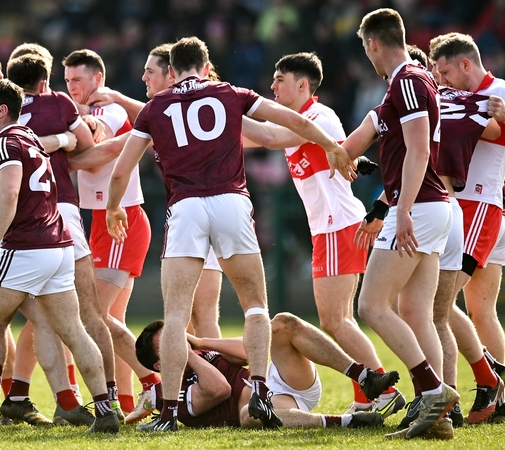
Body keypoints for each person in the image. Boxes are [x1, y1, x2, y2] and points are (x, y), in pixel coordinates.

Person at [106, 36, 355, 432]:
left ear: (171, 72)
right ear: (207, 67)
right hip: (231, 202)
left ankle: (169, 413)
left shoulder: (155, 108)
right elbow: (289, 122)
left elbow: (121, 170)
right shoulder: (230, 93)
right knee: (255, 305)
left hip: (186, 208)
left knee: (174, 317)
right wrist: (332, 145)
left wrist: (113, 207)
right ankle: (259, 390)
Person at [0, 77, 119, 434]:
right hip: (58, 246)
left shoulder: (4, 143)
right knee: (73, 330)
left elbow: (9, 192)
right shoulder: (28, 138)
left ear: (1, 109)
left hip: (25, 247)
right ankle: (106, 410)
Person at [238, 51, 404, 417]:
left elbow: (265, 136)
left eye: (280, 80)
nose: (272, 87)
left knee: (336, 321)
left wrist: (226, 109)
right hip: (330, 227)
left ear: (303, 84)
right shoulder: (305, 118)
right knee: (341, 318)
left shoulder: (316, 116)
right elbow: (256, 138)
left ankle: (381, 388)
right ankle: (370, 394)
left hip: (336, 226)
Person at [83, 43, 226, 423]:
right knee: (187, 317)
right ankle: (152, 396)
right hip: (192, 213)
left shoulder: (179, 105)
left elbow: (118, 152)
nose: (144, 76)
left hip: (201, 210)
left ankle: (204, 391)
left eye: (151, 71)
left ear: (172, 73)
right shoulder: (166, 110)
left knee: (200, 315)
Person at [342, 9, 457, 439]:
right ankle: (438, 419)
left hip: (420, 207)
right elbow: (357, 148)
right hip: (431, 207)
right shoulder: (409, 83)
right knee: (415, 312)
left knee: (371, 306)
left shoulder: (407, 80)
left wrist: (402, 208)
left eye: (365, 49)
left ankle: (431, 391)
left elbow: (418, 151)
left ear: (372, 43)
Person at [429, 31, 505, 423]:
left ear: (466, 64)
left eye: (445, 70)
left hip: (479, 209)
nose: (441, 79)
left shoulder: (500, 90)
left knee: (438, 305)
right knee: (482, 312)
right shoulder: (451, 94)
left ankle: (487, 382)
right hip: (488, 210)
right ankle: (495, 402)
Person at [6, 49, 118, 426]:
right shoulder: (58, 102)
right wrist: (65, 137)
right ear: (45, 80)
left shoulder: (0, 109)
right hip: (61, 211)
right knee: (88, 315)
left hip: (16, 222)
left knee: (32, 319)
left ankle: (23, 397)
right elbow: (87, 148)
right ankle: (110, 399)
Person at [62, 49, 159, 420]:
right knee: (109, 321)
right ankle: (128, 402)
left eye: (78, 80)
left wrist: (64, 156)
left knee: (96, 318)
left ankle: (153, 384)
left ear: (97, 80)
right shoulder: (80, 111)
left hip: (122, 220)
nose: (72, 88)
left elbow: (101, 142)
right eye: (68, 81)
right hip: (103, 222)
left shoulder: (110, 109)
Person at [133, 316, 398, 430]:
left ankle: (364, 377)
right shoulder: (169, 395)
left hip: (278, 378)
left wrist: (201, 342)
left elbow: (252, 351)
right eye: (167, 345)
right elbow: (219, 389)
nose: (177, 343)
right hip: (275, 406)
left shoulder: (201, 353)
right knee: (250, 414)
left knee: (281, 324)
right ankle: (348, 422)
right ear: (159, 365)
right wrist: (188, 354)